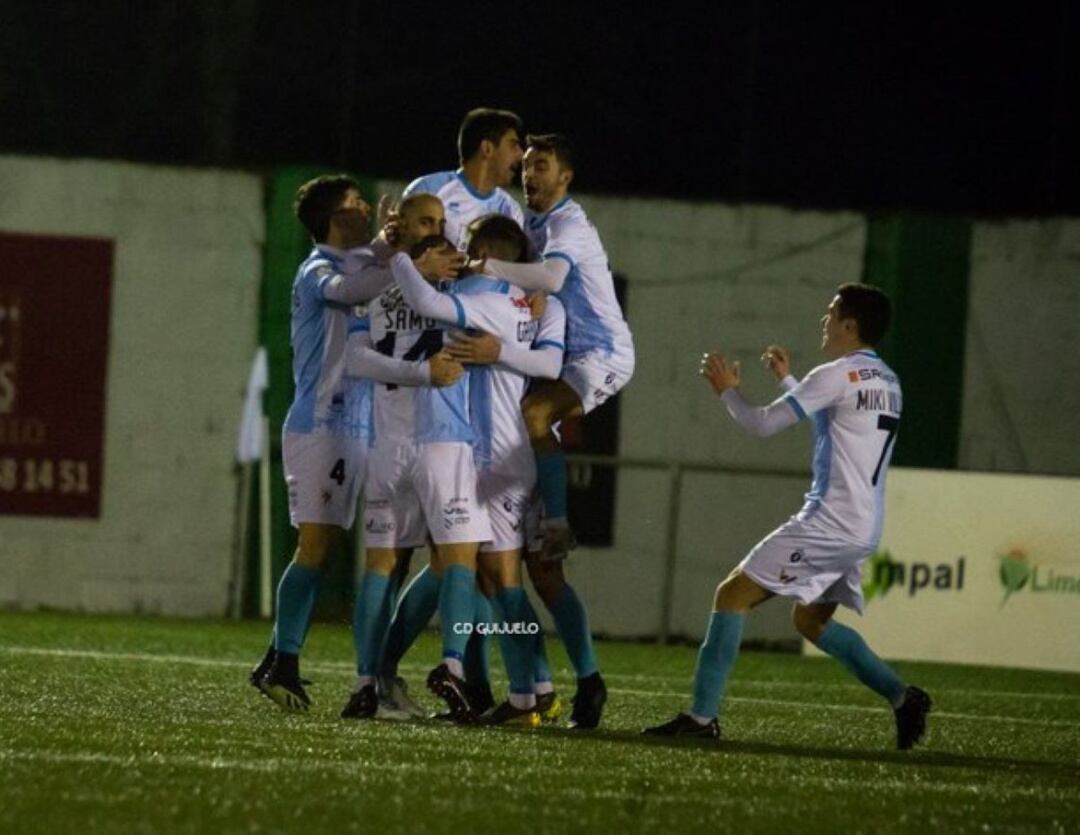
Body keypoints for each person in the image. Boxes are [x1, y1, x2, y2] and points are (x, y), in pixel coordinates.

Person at [644, 283, 932, 750]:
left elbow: (761, 425)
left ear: (850, 324)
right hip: (863, 527)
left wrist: (727, 392)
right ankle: (904, 698)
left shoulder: (835, 374)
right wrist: (786, 381)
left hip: (828, 523)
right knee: (810, 623)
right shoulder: (887, 380)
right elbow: (833, 418)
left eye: (832, 311)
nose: (825, 318)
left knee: (732, 594)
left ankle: (700, 717)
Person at [249, 175, 458, 712]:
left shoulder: (371, 257)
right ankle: (285, 661)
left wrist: (398, 252)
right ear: (333, 218)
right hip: (322, 425)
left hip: (366, 429)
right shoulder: (318, 269)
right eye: (354, 203)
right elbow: (352, 291)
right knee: (315, 548)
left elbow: (379, 273)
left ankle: (348, 671)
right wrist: (406, 261)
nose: (365, 206)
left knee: (373, 555)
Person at [474, 133, 634, 728]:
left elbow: (548, 276)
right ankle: (578, 683)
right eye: (527, 167)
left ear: (565, 178)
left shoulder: (569, 226)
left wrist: (488, 269)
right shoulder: (528, 221)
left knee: (536, 416)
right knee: (533, 574)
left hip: (599, 355)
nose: (530, 175)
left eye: (542, 167)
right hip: (553, 367)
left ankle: (399, 676)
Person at [390, 214, 567, 726]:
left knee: (502, 581)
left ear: (488, 250)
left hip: (494, 457)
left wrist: (400, 254)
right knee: (480, 577)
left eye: (469, 246)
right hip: (499, 456)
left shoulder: (485, 296)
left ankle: (525, 695)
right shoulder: (523, 302)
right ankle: (532, 688)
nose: (463, 255)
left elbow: (424, 303)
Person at [403, 108, 525, 248]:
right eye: (513, 145)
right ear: (487, 149)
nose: (521, 154)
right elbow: (399, 250)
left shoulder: (511, 210)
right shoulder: (428, 189)